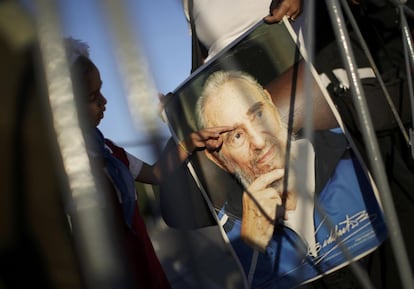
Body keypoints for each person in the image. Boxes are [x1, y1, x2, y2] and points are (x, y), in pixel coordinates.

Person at [192, 69, 387, 288]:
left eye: (258, 115)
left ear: (272, 106)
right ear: (221, 160)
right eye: (236, 136)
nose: (258, 142)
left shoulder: (354, 151)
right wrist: (251, 249)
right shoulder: (228, 236)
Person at [65, 37, 232, 289]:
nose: (104, 101)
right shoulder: (63, 162)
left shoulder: (111, 152)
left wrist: (189, 141)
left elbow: (157, 174)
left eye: (100, 91)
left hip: (146, 267)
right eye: (91, 96)